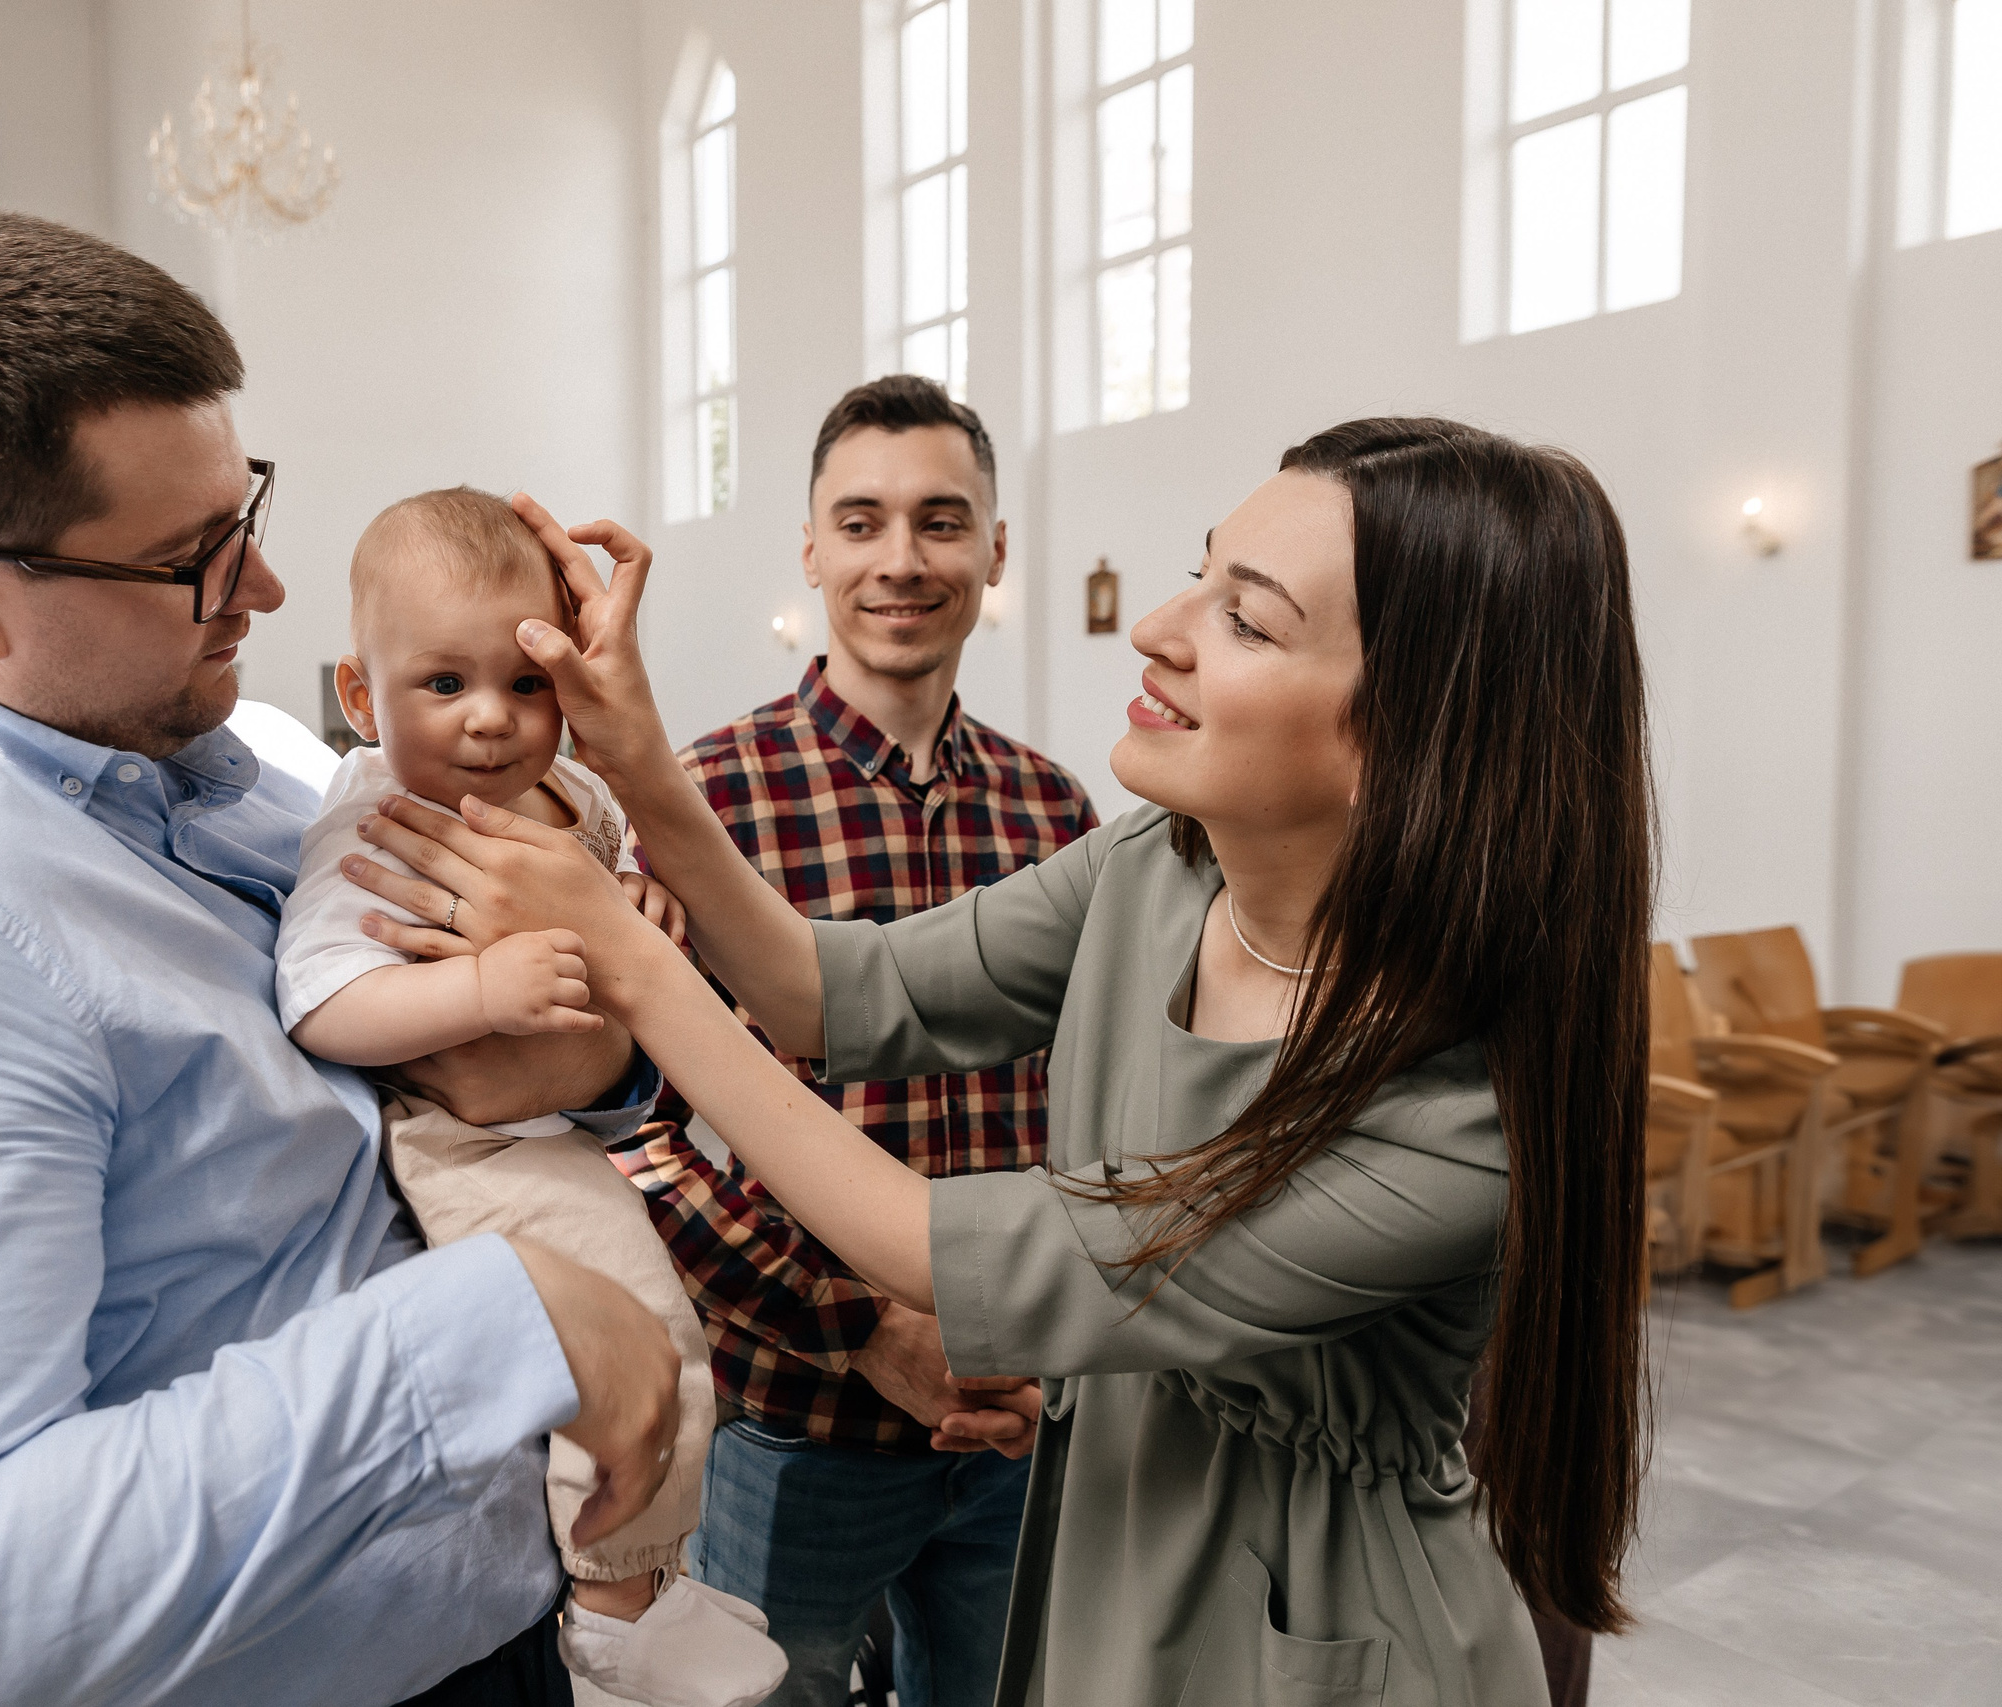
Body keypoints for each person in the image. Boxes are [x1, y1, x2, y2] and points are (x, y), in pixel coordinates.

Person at [341, 417, 1652, 1705]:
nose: (1158, 624)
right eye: (1202, 571)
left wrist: (622, 952)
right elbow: (833, 991)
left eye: (1245, 618)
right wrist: (629, 747)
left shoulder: (1445, 1112)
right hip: (1080, 1527)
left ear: (1404, 736)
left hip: (1319, 1632)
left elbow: (937, 1243)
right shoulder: (1158, 869)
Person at [0, 210, 684, 1707]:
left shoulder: (235, 753)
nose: (259, 589)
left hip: (490, 1635)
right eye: (193, 559)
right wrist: (485, 1329)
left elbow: (470, 1063)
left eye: (243, 513)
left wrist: (601, 1052)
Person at [609, 376, 1094, 1707]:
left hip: (1015, 1419)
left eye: (942, 521)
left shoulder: (1052, 805)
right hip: (797, 1418)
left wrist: (1044, 1335)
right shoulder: (705, 799)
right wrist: (858, 1318)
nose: (901, 558)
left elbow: (1085, 1097)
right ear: (811, 549)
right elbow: (622, 1129)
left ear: (996, 551)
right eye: (862, 520)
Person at [278, 486, 784, 1707]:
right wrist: (480, 993)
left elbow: (620, 902)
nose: (492, 723)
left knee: (678, 1349)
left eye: (526, 684)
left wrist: (640, 913)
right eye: (441, 685)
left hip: (568, 1132)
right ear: (361, 696)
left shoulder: (575, 800)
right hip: (470, 1146)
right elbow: (323, 1004)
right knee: (644, 1351)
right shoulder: (373, 821)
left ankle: (639, 1592)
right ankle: (612, 1631)